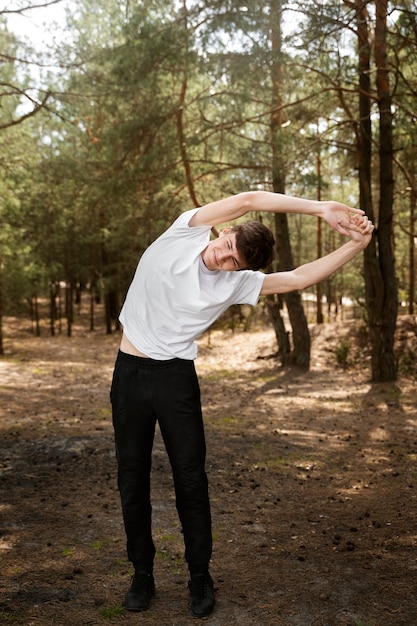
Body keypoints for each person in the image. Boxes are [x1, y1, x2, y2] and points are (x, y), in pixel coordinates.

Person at [110, 190, 374, 619]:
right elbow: (249, 198)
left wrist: (355, 245)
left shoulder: (235, 283)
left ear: (243, 270)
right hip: (130, 374)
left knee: (191, 481)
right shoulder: (185, 232)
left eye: (234, 261)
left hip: (176, 380)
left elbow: (299, 278)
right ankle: (142, 574)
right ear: (224, 230)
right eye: (227, 246)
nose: (222, 258)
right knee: (132, 479)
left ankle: (199, 576)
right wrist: (322, 208)